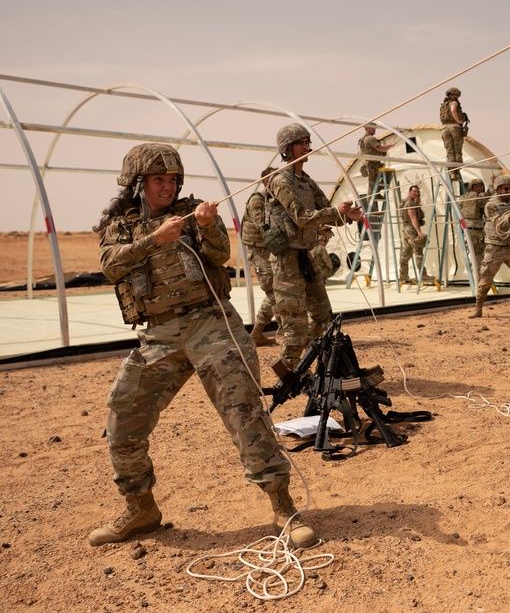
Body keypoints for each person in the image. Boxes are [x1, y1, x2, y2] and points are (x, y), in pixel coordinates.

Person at [88, 143, 317, 549]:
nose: (168, 186)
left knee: (244, 413)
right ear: (138, 184)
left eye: (173, 179)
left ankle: (283, 507)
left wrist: (209, 225)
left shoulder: (191, 213)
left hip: (211, 324)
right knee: (123, 420)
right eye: (159, 179)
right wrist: (154, 240)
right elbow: (110, 266)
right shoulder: (120, 226)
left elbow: (220, 253)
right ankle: (141, 509)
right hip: (158, 334)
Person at [268, 123, 363, 375]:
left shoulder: (306, 182)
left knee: (324, 319)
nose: (306, 146)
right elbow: (301, 216)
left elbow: (325, 212)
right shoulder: (281, 180)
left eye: (307, 141)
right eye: (300, 142)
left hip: (306, 256)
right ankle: (287, 374)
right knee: (295, 327)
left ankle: (303, 364)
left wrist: (348, 216)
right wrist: (335, 212)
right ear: (287, 149)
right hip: (287, 262)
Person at [469, 176, 510, 319]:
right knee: (486, 279)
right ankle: (478, 307)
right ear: (498, 189)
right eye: (505, 188)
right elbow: (501, 224)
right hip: (495, 248)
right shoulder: (491, 205)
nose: (508, 191)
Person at [240, 166, 278, 346]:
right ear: (266, 181)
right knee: (273, 292)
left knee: (277, 291)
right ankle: (258, 332)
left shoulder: (274, 201)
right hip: (259, 253)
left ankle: (259, 332)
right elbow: (263, 226)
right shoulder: (258, 200)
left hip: (269, 251)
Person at [398, 184, 428, 284]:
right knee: (418, 251)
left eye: (418, 192)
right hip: (411, 230)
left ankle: (403, 274)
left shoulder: (409, 202)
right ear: (409, 192)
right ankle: (423, 274)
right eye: (414, 191)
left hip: (407, 229)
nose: (416, 193)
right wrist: (419, 231)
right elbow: (413, 218)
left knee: (406, 253)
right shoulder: (410, 203)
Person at [358, 123, 396, 201]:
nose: (375, 130)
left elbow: (361, 153)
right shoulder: (370, 139)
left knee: (386, 176)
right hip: (373, 165)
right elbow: (381, 149)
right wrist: (390, 145)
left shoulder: (363, 140)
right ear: (367, 128)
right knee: (372, 187)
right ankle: (372, 209)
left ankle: (377, 192)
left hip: (374, 164)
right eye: (373, 128)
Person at [439, 87, 468, 181]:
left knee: (449, 151)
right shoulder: (454, 103)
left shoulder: (443, 105)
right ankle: (456, 172)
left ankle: (452, 172)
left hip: (444, 128)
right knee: (457, 150)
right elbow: (453, 110)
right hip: (454, 127)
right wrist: (459, 121)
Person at [458, 177, 488, 263]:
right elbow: (490, 193)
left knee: (475, 253)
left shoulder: (463, 197)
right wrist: (492, 184)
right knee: (481, 253)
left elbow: (459, 209)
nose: (481, 189)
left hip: (467, 229)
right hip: (479, 229)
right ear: (474, 187)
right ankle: (478, 273)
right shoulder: (481, 197)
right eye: (480, 186)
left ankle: (476, 271)